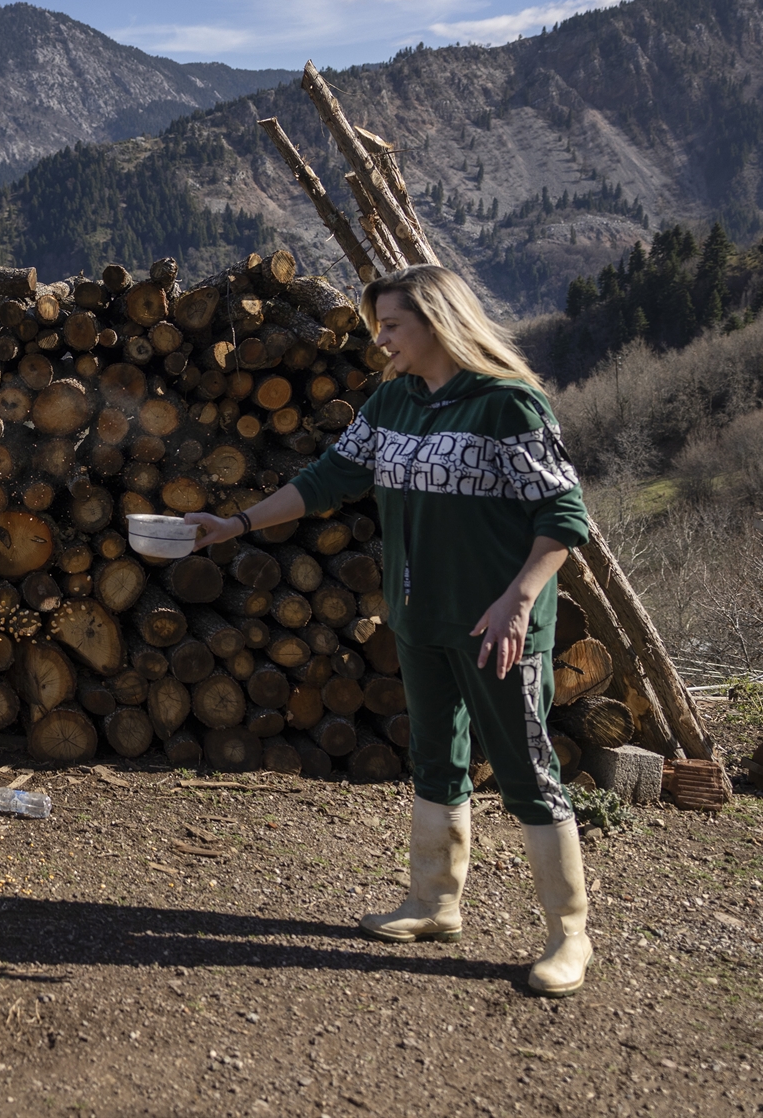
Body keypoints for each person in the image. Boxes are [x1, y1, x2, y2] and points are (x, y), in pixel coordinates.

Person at [185, 264, 593, 997]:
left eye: (393, 325)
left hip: (499, 625)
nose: (380, 340)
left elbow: (564, 518)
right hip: (420, 618)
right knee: (437, 759)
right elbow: (326, 479)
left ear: (438, 322)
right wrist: (236, 523)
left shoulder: (509, 406)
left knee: (529, 772)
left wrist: (519, 601)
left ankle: (570, 935)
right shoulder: (394, 401)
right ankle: (435, 903)